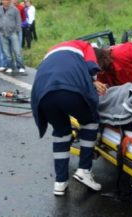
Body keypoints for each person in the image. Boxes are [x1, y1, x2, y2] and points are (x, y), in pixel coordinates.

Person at [31, 40, 104, 196]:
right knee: (90, 121)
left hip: (42, 93)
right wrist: (94, 82)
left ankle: (60, 182)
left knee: (61, 131)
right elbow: (91, 67)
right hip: (68, 89)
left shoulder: (52, 51)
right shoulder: (86, 46)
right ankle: (84, 169)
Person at [0, 0, 25, 73]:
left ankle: (20, 66)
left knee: (17, 51)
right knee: (7, 52)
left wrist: (16, 31)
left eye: (7, 0)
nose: (5, 1)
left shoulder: (15, 9)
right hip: (3, 34)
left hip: (13, 33)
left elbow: (18, 21)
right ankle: (10, 66)